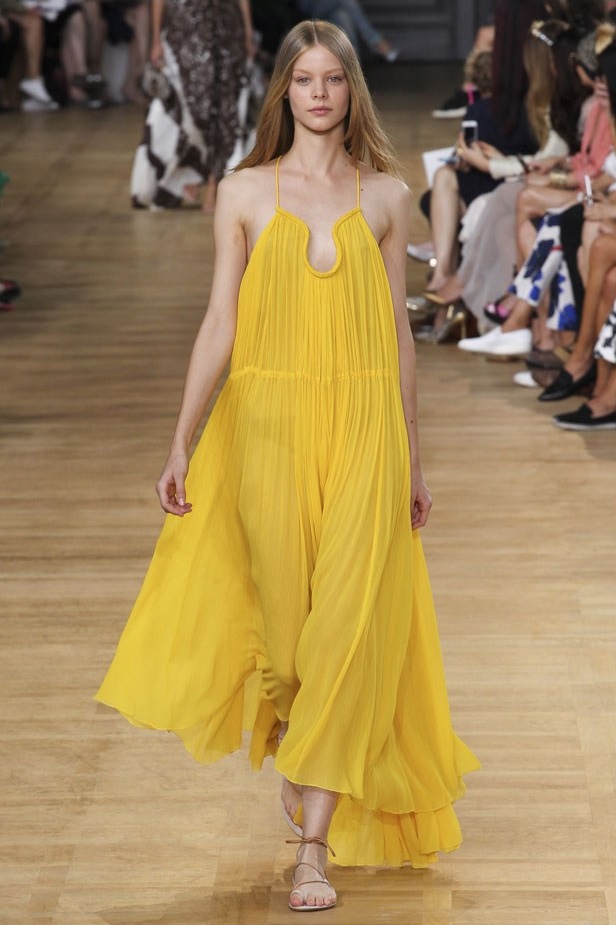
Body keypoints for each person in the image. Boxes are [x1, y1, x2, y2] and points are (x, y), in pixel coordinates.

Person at [96, 19, 479, 912]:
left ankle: (314, 847)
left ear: (351, 90)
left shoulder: (388, 196)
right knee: (288, 640)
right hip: (266, 428)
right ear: (284, 91)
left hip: (366, 429)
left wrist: (414, 460)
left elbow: (399, 338)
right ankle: (303, 748)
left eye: (332, 79)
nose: (318, 94)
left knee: (348, 625)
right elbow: (219, 323)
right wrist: (181, 439)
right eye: (304, 79)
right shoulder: (242, 192)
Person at [131, 0, 255, 212]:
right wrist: (156, 40)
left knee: (225, 106)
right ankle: (187, 174)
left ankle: (214, 182)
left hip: (226, 25)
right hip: (184, 27)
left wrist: (248, 32)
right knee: (191, 108)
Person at [297, 0, 398, 60]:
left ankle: (352, 64)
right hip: (310, 6)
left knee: (343, 16)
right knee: (347, 2)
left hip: (332, 7)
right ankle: (374, 39)